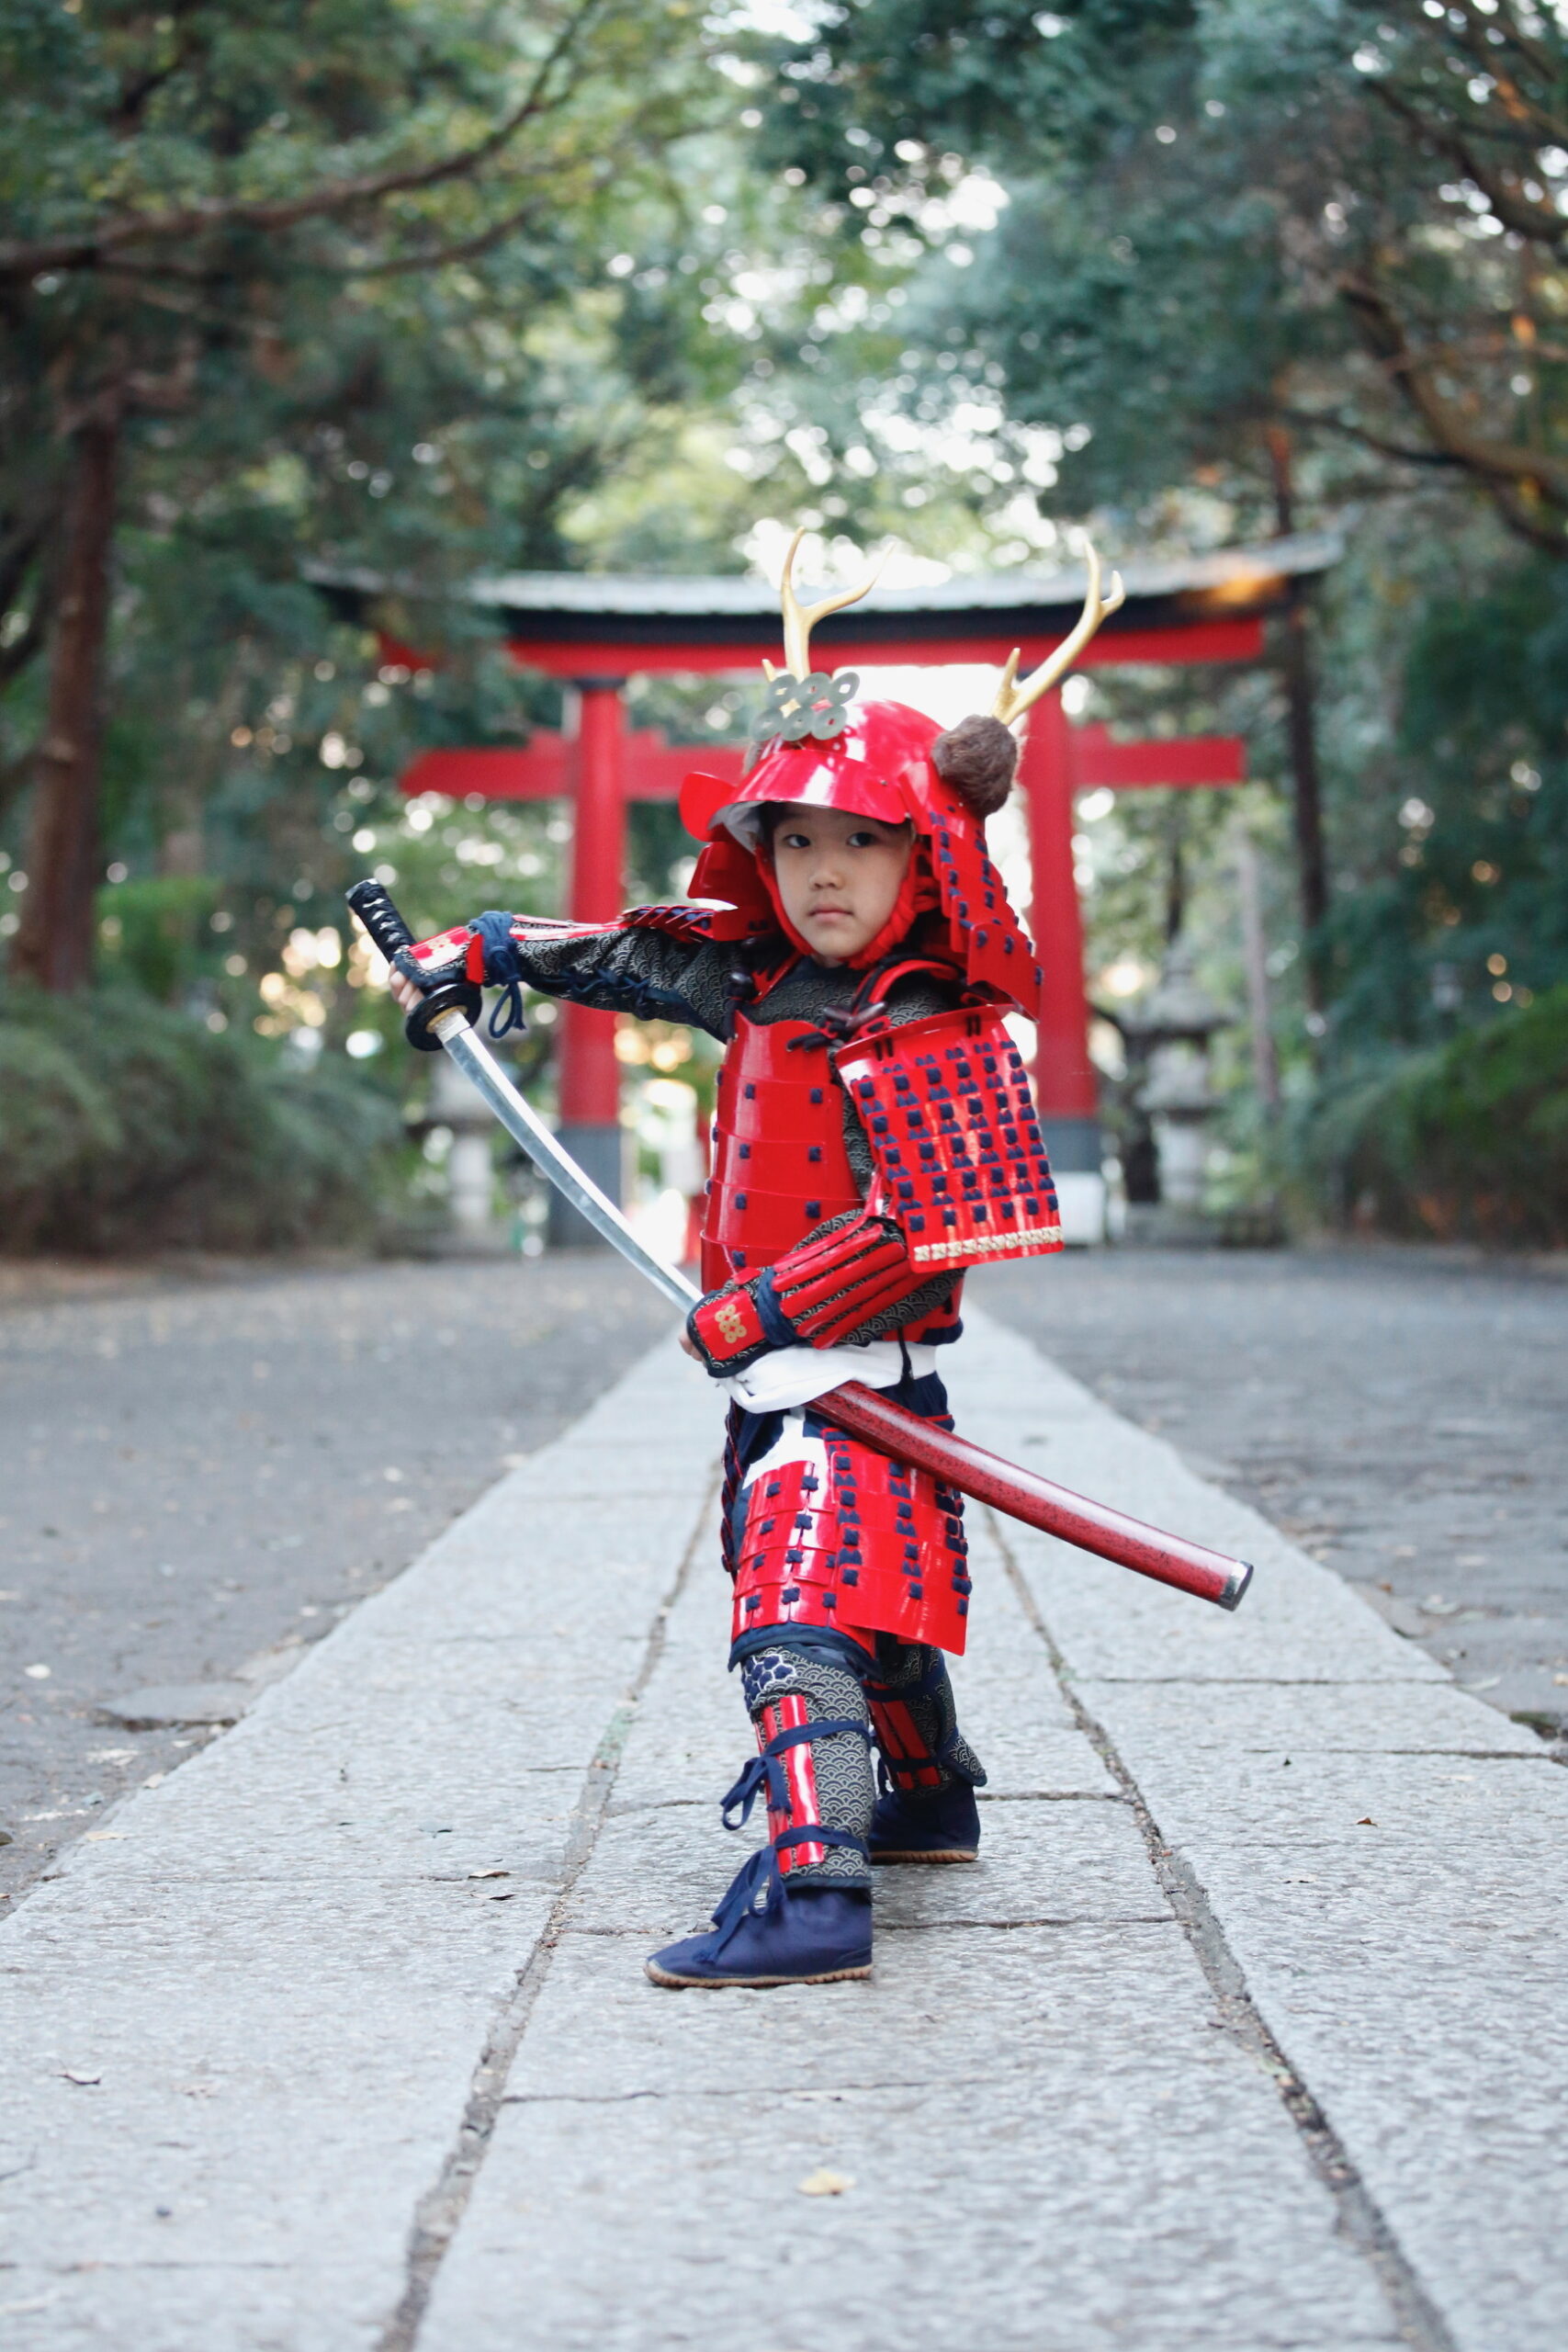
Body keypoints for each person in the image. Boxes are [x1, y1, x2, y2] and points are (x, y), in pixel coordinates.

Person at [389, 532, 1122, 1987]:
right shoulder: (765, 984)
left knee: (794, 1609)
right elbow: (625, 955)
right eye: (796, 840)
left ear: (927, 855)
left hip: (855, 1372)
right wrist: (485, 953)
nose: (826, 869)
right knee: (868, 1592)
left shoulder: (933, 1016)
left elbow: (932, 1221)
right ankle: (925, 1796)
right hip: (784, 1378)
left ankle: (814, 1895)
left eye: (862, 839)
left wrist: (767, 1307)